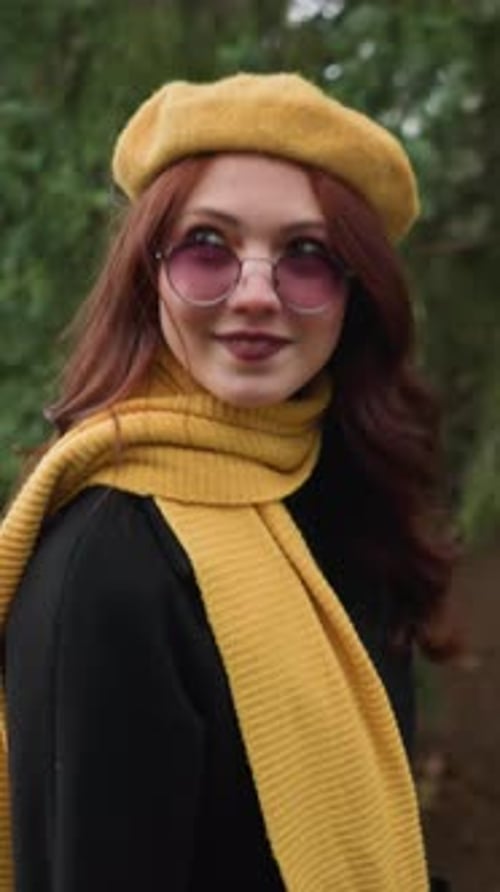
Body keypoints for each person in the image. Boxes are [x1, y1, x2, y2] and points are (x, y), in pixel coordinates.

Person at [0, 72, 457, 891]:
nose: (255, 295)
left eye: (308, 258)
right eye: (207, 248)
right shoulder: (114, 563)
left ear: (356, 295)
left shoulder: (344, 509)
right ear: (150, 274)